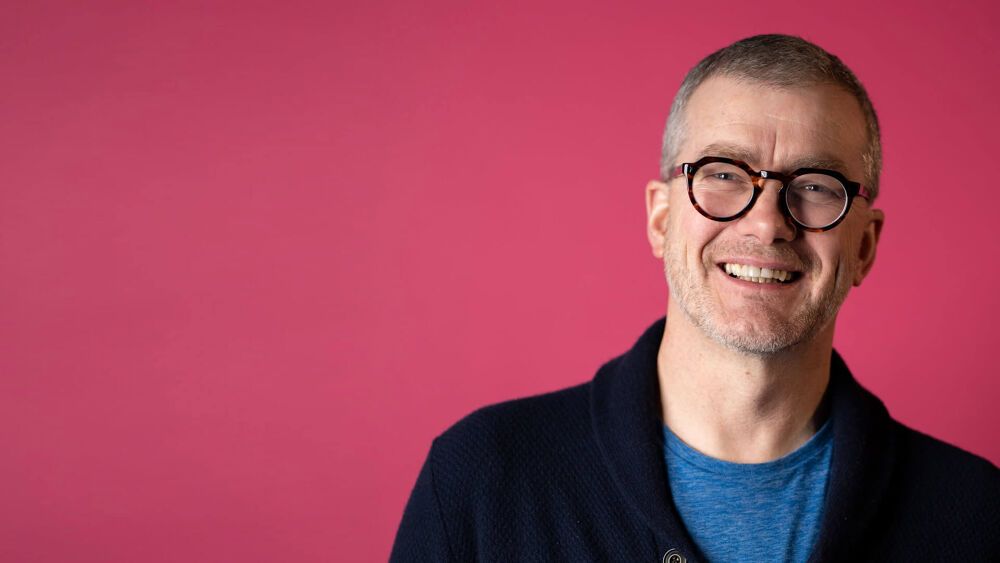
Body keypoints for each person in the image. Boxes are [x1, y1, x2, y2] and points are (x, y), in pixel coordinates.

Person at [389, 35, 999, 562]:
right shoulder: (482, 479)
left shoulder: (975, 517)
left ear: (864, 245)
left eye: (814, 186)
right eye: (724, 174)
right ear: (660, 220)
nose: (766, 225)